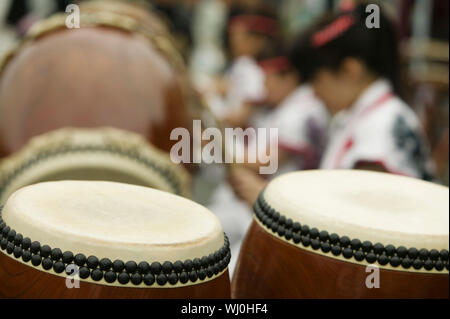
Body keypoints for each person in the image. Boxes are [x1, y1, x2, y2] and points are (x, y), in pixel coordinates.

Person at [290, 4, 435, 180]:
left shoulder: (381, 127)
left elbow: (357, 206)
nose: (315, 93)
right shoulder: (371, 116)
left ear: (350, 70)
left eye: (316, 81)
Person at [229, 52, 329, 205]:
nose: (264, 87)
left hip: (287, 204)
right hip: (274, 197)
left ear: (289, 77)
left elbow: (264, 162)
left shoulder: (301, 111)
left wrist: (219, 148)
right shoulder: (290, 103)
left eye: (268, 80)